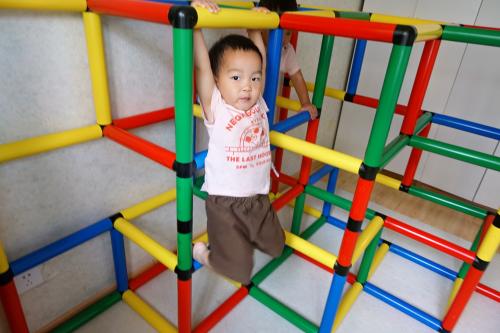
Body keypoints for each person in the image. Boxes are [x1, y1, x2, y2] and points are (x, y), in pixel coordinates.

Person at [190, 0, 285, 285]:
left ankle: (242, 241)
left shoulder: (258, 104)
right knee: (239, 271)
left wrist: (255, 28)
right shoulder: (216, 106)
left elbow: (262, 62)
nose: (247, 86)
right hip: (225, 204)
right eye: (235, 77)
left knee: (277, 247)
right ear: (218, 81)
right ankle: (204, 255)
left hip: (258, 197)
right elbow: (202, 67)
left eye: (254, 79)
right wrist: (196, 26)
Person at [259, 0, 318, 119]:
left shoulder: (286, 51)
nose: (282, 39)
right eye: (272, 32)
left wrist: (306, 103)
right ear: (260, 26)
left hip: (260, 109)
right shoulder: (252, 43)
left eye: (288, 33)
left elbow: (297, 77)